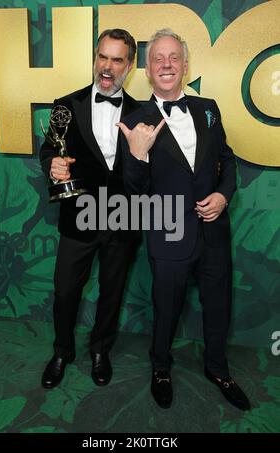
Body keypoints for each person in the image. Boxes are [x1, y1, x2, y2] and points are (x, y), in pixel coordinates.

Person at [118, 29, 250, 410]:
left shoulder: (208, 107)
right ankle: (161, 368)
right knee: (167, 308)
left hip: (213, 233)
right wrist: (140, 156)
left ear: (185, 65)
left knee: (218, 304)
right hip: (168, 233)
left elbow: (227, 160)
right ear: (146, 69)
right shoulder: (135, 120)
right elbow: (133, 192)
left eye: (174, 57)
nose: (166, 64)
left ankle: (218, 368)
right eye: (158, 58)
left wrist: (224, 195)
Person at [40, 29, 140, 389]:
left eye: (117, 59)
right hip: (77, 219)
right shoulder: (66, 105)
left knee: (112, 292)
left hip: (124, 220)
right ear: (95, 57)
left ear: (129, 65)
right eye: (103, 57)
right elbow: (49, 150)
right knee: (66, 291)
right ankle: (62, 351)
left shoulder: (142, 112)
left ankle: (101, 350)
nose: (107, 66)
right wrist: (53, 164)